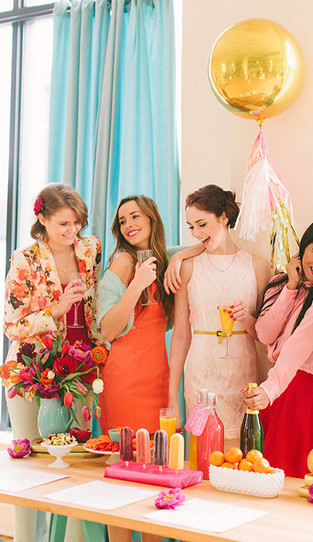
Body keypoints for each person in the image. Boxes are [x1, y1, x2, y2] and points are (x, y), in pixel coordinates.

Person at [4, 182, 104, 542]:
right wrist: (56, 310)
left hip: (77, 367)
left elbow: (95, 302)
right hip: (30, 370)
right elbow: (11, 325)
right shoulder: (25, 260)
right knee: (29, 462)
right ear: (42, 219)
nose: (72, 230)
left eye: (77, 222)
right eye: (63, 223)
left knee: (77, 460)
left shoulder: (90, 249)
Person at [242, 218, 313, 478]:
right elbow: (264, 333)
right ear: (303, 247)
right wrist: (290, 287)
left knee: (297, 482)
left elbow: (302, 340)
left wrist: (270, 388)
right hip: (276, 390)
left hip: (302, 395)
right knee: (266, 481)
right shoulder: (281, 282)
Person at [168, 184, 270, 448]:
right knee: (203, 454)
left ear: (224, 217)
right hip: (200, 373)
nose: (196, 233)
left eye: (202, 224)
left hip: (243, 373)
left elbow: (265, 334)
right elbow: (180, 335)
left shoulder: (257, 266)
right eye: (191, 227)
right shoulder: (187, 268)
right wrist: (171, 396)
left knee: (241, 455)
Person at [98, 195, 174, 435]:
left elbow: (200, 247)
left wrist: (180, 258)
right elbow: (108, 330)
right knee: (126, 451)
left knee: (158, 451)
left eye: (134, 216)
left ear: (152, 219)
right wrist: (137, 285)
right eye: (122, 221)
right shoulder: (123, 261)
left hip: (159, 378)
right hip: (125, 378)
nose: (128, 225)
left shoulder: (164, 262)